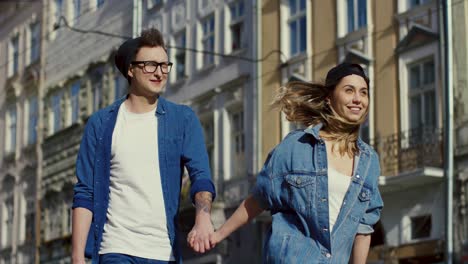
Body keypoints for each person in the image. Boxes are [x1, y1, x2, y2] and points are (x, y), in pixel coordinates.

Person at [202, 63, 383, 263]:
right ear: (329, 99)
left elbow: (364, 229)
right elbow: (259, 199)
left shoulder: (369, 161)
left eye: (364, 92)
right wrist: (218, 234)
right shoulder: (296, 146)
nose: (358, 98)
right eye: (349, 90)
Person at [71, 28, 216, 264]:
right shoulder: (101, 124)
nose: (159, 73)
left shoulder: (182, 119)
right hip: (115, 246)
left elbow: (200, 176)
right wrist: (78, 257)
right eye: (150, 65)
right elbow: (85, 192)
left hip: (162, 251)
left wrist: (203, 216)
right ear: (130, 69)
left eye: (164, 65)